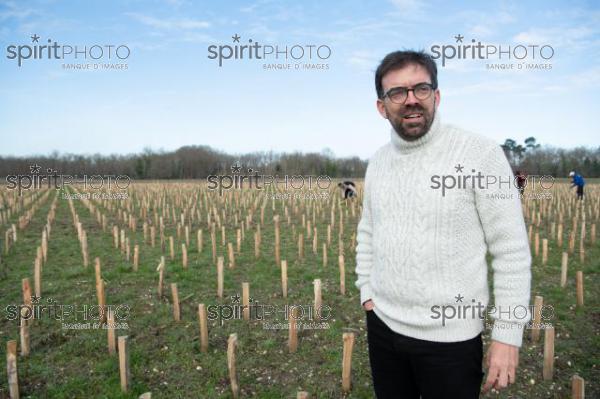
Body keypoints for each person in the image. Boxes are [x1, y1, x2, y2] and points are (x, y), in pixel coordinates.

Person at [355, 50, 532, 399]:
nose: (410, 100)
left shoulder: (480, 155)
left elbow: (511, 252)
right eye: (397, 92)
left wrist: (507, 335)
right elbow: (367, 231)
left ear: (436, 96)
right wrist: (366, 292)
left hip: (451, 343)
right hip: (383, 327)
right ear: (381, 107)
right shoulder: (377, 163)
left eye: (420, 88)